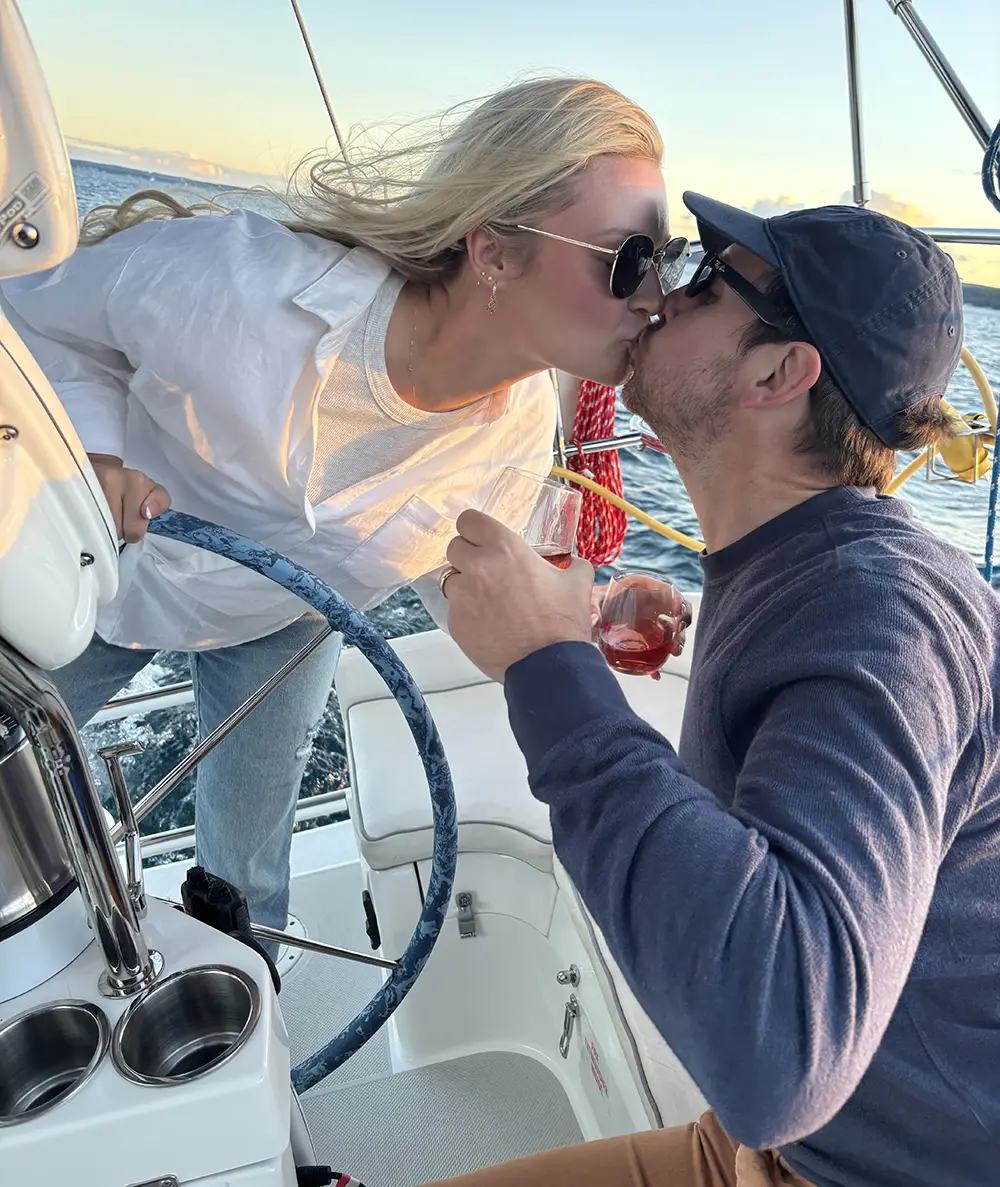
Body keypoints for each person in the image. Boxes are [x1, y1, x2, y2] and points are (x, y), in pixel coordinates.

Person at [0, 77, 688, 945]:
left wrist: (586, 618)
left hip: (287, 617)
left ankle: (252, 1021)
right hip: (105, 575)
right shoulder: (240, 289)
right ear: (496, 253)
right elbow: (29, 314)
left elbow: (470, 585)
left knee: (247, 886)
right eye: (628, 258)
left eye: (671, 260)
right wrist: (91, 454)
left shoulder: (517, 437)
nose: (656, 296)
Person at [438, 195, 1000, 1186]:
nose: (656, 293)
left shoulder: (881, 610)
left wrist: (545, 665)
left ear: (779, 372)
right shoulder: (800, 563)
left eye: (704, 281)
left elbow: (780, 1049)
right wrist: (582, 635)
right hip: (782, 1145)